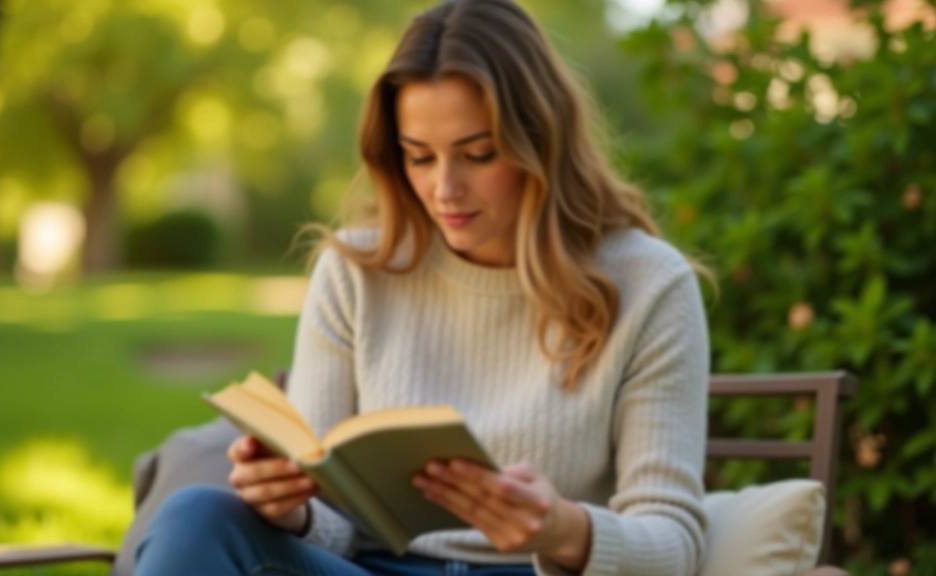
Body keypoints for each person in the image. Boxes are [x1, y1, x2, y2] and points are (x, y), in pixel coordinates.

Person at [134, 0, 710, 574]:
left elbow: (676, 544)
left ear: (541, 141)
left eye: (477, 154)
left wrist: (563, 529)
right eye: (419, 157)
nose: (444, 189)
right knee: (197, 515)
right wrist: (292, 511)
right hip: (377, 569)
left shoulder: (648, 285)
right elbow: (333, 527)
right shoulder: (355, 273)